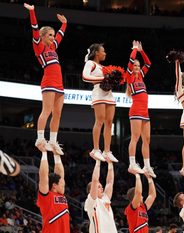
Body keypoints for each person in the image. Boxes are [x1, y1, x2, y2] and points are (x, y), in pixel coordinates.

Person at [24, 3, 67, 155]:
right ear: (42, 36)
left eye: (53, 35)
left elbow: (60, 36)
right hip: (49, 81)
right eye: (50, 35)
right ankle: (40, 138)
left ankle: (53, 141)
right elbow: (35, 28)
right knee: (47, 110)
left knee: (58, 113)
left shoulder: (53, 47)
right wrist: (32, 11)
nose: (53, 37)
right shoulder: (39, 47)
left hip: (59, 83)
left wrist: (64, 24)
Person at [82, 43, 118, 162]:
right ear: (97, 53)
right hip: (98, 92)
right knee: (100, 121)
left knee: (109, 123)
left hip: (109, 94)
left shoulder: (103, 67)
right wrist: (103, 79)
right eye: (103, 51)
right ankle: (96, 149)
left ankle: (107, 151)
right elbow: (85, 77)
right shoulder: (90, 63)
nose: (105, 53)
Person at [126, 40, 155, 177]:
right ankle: (132, 163)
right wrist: (135, 49)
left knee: (147, 139)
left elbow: (148, 63)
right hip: (136, 111)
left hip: (145, 112)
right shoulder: (130, 78)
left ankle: (147, 165)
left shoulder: (141, 77)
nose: (137, 67)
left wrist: (142, 51)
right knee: (135, 138)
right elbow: (130, 60)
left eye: (138, 66)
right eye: (135, 66)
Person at [36, 149, 70, 233]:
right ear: (54, 185)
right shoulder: (46, 196)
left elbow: (60, 172)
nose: (64, 187)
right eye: (62, 185)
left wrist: (56, 155)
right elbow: (43, 175)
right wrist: (44, 152)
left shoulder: (60, 194)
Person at [84, 154, 117, 233]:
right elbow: (95, 180)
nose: (102, 188)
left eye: (101, 186)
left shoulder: (105, 198)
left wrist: (110, 164)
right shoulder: (91, 201)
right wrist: (98, 161)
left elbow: (110, 182)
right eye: (99, 187)